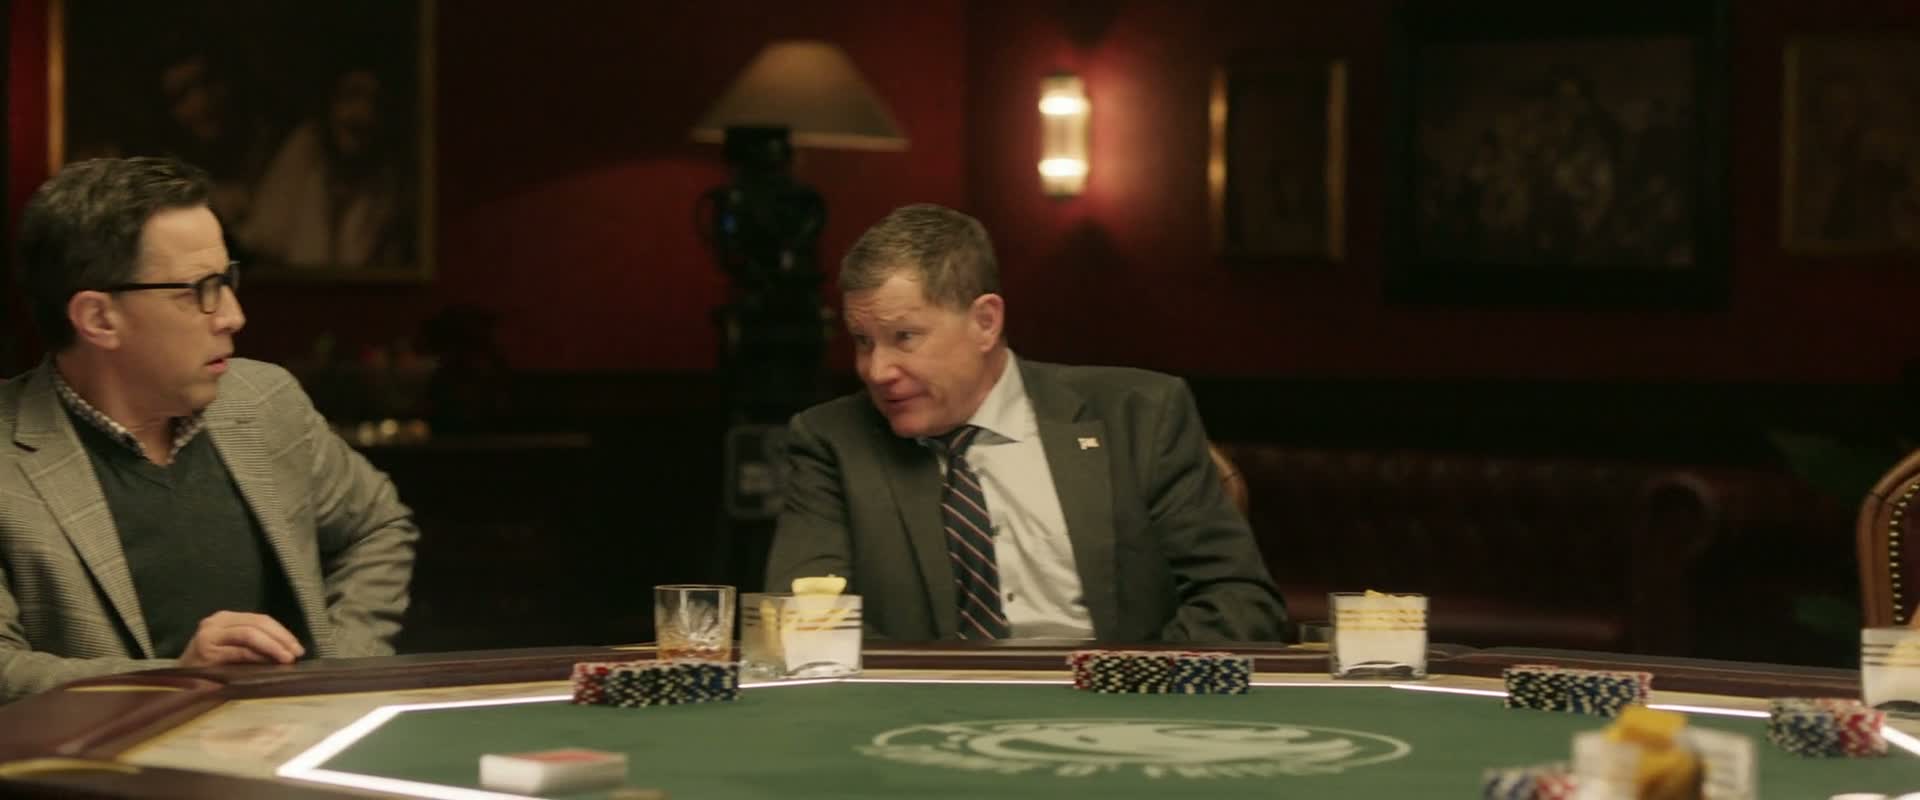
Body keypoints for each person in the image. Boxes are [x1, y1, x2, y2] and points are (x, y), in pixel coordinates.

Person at [766, 204, 1286, 642]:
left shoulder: (1139, 414)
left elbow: (1237, 599)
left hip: (1117, 707)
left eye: (905, 337)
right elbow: (807, 625)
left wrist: (1132, 693)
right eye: (863, 342)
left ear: (985, 322)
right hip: (923, 715)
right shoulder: (833, 441)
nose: (877, 370)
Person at [0, 156, 418, 702]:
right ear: (99, 319)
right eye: (201, 290)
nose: (233, 315)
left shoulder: (265, 400)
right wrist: (176, 682)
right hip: (105, 756)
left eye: (227, 280)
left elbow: (376, 528)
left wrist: (339, 667)